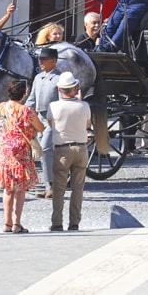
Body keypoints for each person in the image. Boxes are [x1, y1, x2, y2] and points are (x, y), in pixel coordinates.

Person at [0, 80, 45, 233]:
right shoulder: (27, 111)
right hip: (21, 152)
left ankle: (6, 223)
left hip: (5, 152)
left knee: (8, 189)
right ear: (23, 94)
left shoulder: (0, 108)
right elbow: (40, 128)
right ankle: (17, 223)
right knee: (20, 189)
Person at [48, 72, 91, 232]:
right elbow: (87, 124)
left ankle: (57, 222)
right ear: (75, 88)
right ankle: (74, 222)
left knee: (59, 188)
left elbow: (50, 123)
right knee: (78, 187)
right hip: (81, 148)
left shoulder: (53, 106)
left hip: (62, 149)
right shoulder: (84, 106)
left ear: (60, 89)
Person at [25, 47, 60, 199]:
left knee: (45, 149)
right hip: (39, 118)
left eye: (44, 59)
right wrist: (22, 110)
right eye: (40, 59)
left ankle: (51, 185)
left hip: (53, 119)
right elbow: (32, 98)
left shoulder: (59, 78)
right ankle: (46, 185)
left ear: (54, 61)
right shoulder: (39, 77)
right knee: (39, 151)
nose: (41, 62)